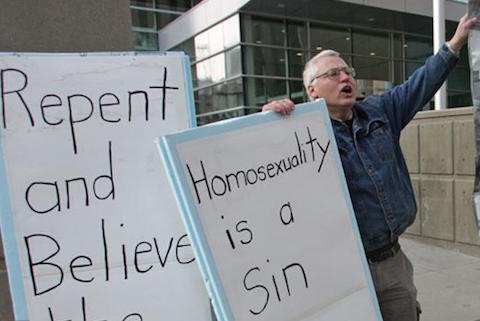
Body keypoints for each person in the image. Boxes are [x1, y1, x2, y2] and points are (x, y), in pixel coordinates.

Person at [262, 14, 478, 321]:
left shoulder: (380, 111)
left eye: (348, 72)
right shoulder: (298, 134)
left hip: (392, 264)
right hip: (341, 271)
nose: (345, 78)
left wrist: (454, 44)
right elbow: (258, 173)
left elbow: (419, 84)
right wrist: (267, 122)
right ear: (312, 90)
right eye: (333, 74)